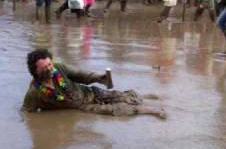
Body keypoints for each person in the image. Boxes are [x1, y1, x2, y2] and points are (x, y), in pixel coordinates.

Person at [22, 49, 166, 119]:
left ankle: (144, 98)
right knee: (115, 110)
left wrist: (99, 77)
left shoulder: (58, 68)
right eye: (44, 67)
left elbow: (80, 75)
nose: (49, 68)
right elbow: (27, 114)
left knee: (119, 96)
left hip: (89, 92)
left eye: (49, 64)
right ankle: (151, 111)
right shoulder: (34, 92)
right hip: (83, 106)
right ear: (35, 71)